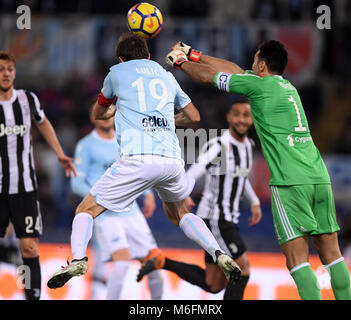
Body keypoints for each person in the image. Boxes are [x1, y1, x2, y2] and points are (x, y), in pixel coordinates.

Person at [47, 33, 241, 290]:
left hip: (137, 159)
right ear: (149, 55)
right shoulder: (166, 75)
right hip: (171, 160)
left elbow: (97, 112)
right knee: (181, 213)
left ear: (119, 58)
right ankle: (218, 253)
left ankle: (79, 259)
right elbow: (193, 116)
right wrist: (166, 119)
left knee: (85, 210)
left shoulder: (116, 73)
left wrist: (115, 110)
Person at [165, 40, 351, 300]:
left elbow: (211, 79)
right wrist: (194, 55)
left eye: (254, 61)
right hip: (319, 176)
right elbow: (235, 70)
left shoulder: (259, 86)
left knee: (297, 260)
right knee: (332, 254)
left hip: (290, 182)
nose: (250, 66)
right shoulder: (287, 86)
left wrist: (181, 63)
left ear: (262, 64)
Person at [137, 99, 262, 300]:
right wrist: (183, 193)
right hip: (215, 218)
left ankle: (161, 261)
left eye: (246, 115)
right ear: (229, 118)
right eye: (237, 114)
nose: (241, 120)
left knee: (213, 284)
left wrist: (254, 200)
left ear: (252, 119)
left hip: (228, 218)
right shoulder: (219, 145)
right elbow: (197, 168)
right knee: (242, 270)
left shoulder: (248, 145)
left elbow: (242, 175)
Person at [0, 51, 76, 300]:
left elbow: (42, 122)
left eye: (9, 69)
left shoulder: (27, 100)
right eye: (1, 69)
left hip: (25, 187)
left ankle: (32, 297)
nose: (6, 73)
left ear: (15, 72)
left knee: (29, 247)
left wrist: (59, 153)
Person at [70, 112, 163, 300]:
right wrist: (100, 202)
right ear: (92, 116)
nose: (106, 116)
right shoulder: (85, 146)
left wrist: (148, 193)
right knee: (121, 263)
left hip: (131, 211)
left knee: (155, 263)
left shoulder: (126, 141)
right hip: (106, 216)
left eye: (110, 112)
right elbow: (76, 183)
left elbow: (137, 171)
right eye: (101, 112)